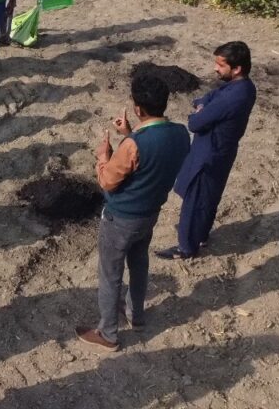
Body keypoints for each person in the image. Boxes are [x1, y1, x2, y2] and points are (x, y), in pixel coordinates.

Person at [76, 74, 191, 351]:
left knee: (110, 273)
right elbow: (153, 159)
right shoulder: (180, 134)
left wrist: (104, 155)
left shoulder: (134, 145)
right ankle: (136, 315)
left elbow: (107, 181)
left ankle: (108, 334)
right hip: (150, 214)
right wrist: (131, 133)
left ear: (138, 109)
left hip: (120, 218)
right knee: (139, 264)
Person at [157, 42, 257, 260]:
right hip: (221, 151)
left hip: (209, 154)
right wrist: (202, 103)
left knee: (196, 198)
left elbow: (195, 123)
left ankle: (186, 247)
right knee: (209, 197)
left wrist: (198, 113)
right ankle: (200, 235)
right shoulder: (244, 87)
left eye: (220, 65)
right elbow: (210, 97)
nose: (215, 69)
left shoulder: (233, 97)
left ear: (237, 68)